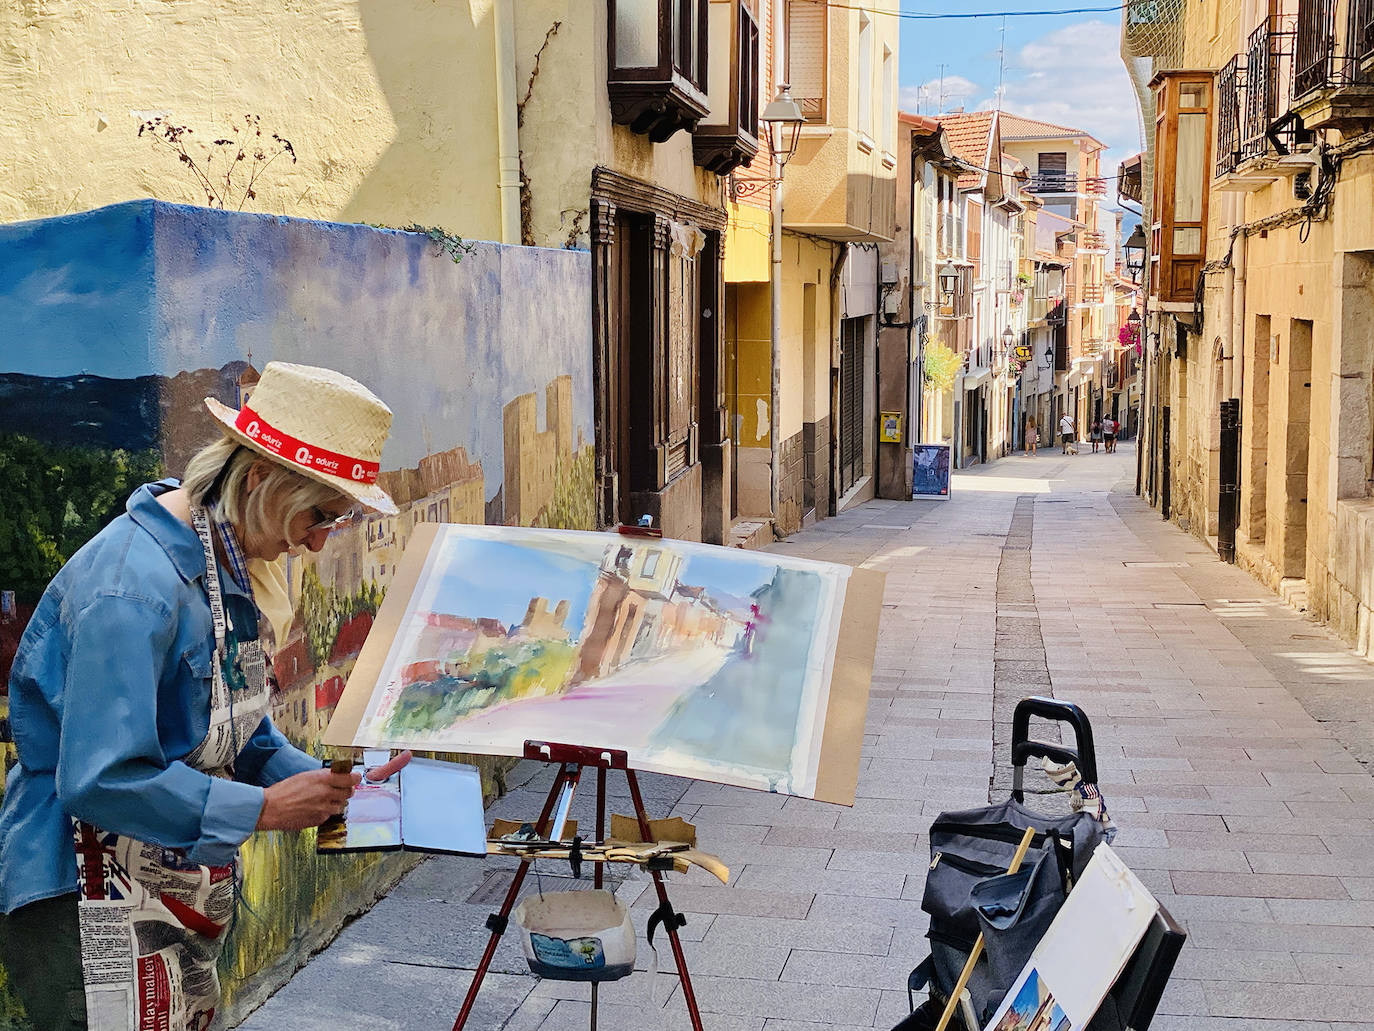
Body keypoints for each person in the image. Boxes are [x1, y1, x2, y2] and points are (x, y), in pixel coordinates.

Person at [0, 362, 411, 1031]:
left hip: (166, 884)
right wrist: (266, 808)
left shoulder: (223, 561)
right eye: (319, 515)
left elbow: (239, 729)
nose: (315, 541)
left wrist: (332, 786)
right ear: (258, 481)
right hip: (80, 896)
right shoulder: (132, 587)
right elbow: (100, 777)